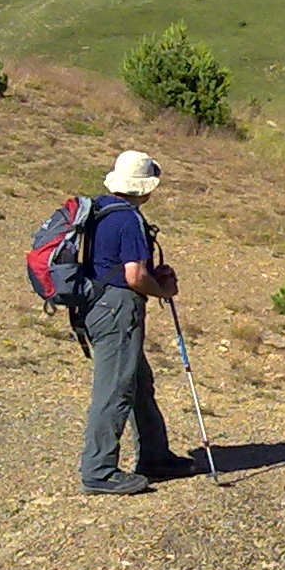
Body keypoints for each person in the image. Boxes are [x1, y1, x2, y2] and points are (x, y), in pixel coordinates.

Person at [76, 150, 188, 496]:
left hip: (97, 304)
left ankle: (155, 457)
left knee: (138, 381)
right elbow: (135, 276)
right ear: (145, 187)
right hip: (118, 309)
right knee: (114, 388)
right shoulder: (128, 219)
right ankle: (98, 470)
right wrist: (163, 290)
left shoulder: (99, 210)